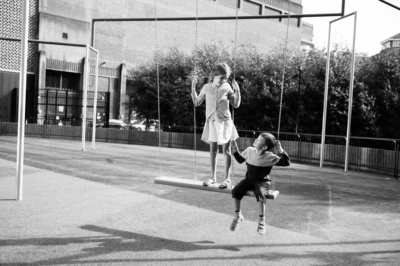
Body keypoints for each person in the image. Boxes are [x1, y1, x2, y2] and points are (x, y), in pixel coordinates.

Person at [191, 63, 241, 189]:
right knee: (213, 150)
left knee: (227, 150)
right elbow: (197, 102)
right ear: (214, 75)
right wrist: (193, 88)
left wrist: (237, 90)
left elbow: (236, 104)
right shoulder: (207, 87)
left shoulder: (227, 87)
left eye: (225, 78)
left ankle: (227, 179)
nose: (224, 80)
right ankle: (213, 177)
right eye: (222, 77)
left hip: (225, 122)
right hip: (212, 121)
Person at [229, 133, 290, 235]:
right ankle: (238, 216)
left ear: (265, 147)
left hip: (262, 181)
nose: (256, 140)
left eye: (258, 140)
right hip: (249, 180)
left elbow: (286, 162)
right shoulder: (249, 151)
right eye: (257, 138)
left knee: (260, 193)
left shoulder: (269, 157)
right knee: (236, 190)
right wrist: (235, 151)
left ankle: (262, 220)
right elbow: (240, 160)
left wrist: (280, 150)